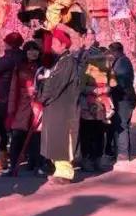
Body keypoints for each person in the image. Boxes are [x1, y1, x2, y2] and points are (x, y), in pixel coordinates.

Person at [39, 29, 82, 185]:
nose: (52, 46)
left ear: (63, 45)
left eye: (55, 43)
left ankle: (65, 173)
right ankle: (59, 170)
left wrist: (43, 92)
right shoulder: (60, 61)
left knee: (63, 140)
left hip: (64, 109)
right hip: (57, 107)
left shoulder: (68, 62)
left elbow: (56, 84)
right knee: (55, 139)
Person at [7, 40, 44, 175]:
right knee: (17, 135)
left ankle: (37, 165)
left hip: (38, 104)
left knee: (36, 136)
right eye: (30, 50)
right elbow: (13, 88)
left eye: (35, 50)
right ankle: (13, 165)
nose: (33, 53)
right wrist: (11, 107)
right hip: (21, 104)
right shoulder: (20, 67)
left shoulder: (43, 67)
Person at [0, 31, 23, 171]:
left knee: (1, 130)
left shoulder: (8, 58)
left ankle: (3, 160)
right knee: (16, 129)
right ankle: (18, 157)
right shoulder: (22, 56)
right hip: (18, 97)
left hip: (2, 97)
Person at [78, 43, 115, 172]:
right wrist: (94, 90)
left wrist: (107, 88)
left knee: (99, 134)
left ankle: (97, 159)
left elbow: (112, 83)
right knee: (87, 134)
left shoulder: (106, 68)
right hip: (87, 107)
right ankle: (86, 159)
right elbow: (80, 87)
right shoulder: (85, 68)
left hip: (101, 106)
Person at [107, 41, 136, 162]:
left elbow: (120, 82)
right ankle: (120, 152)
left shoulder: (123, 62)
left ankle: (123, 154)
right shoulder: (120, 62)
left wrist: (110, 85)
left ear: (116, 51)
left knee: (122, 125)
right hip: (122, 98)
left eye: (111, 52)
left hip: (124, 99)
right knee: (119, 125)